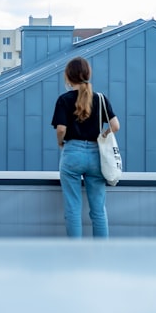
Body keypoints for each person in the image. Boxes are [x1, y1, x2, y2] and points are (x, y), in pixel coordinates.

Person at [51, 56, 121, 238]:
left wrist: (60, 142)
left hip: (72, 154)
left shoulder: (64, 100)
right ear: (88, 74)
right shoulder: (100, 98)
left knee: (73, 208)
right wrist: (103, 135)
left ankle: (75, 255)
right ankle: (101, 254)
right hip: (96, 156)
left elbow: (61, 129)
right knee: (98, 210)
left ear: (68, 77)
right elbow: (115, 126)